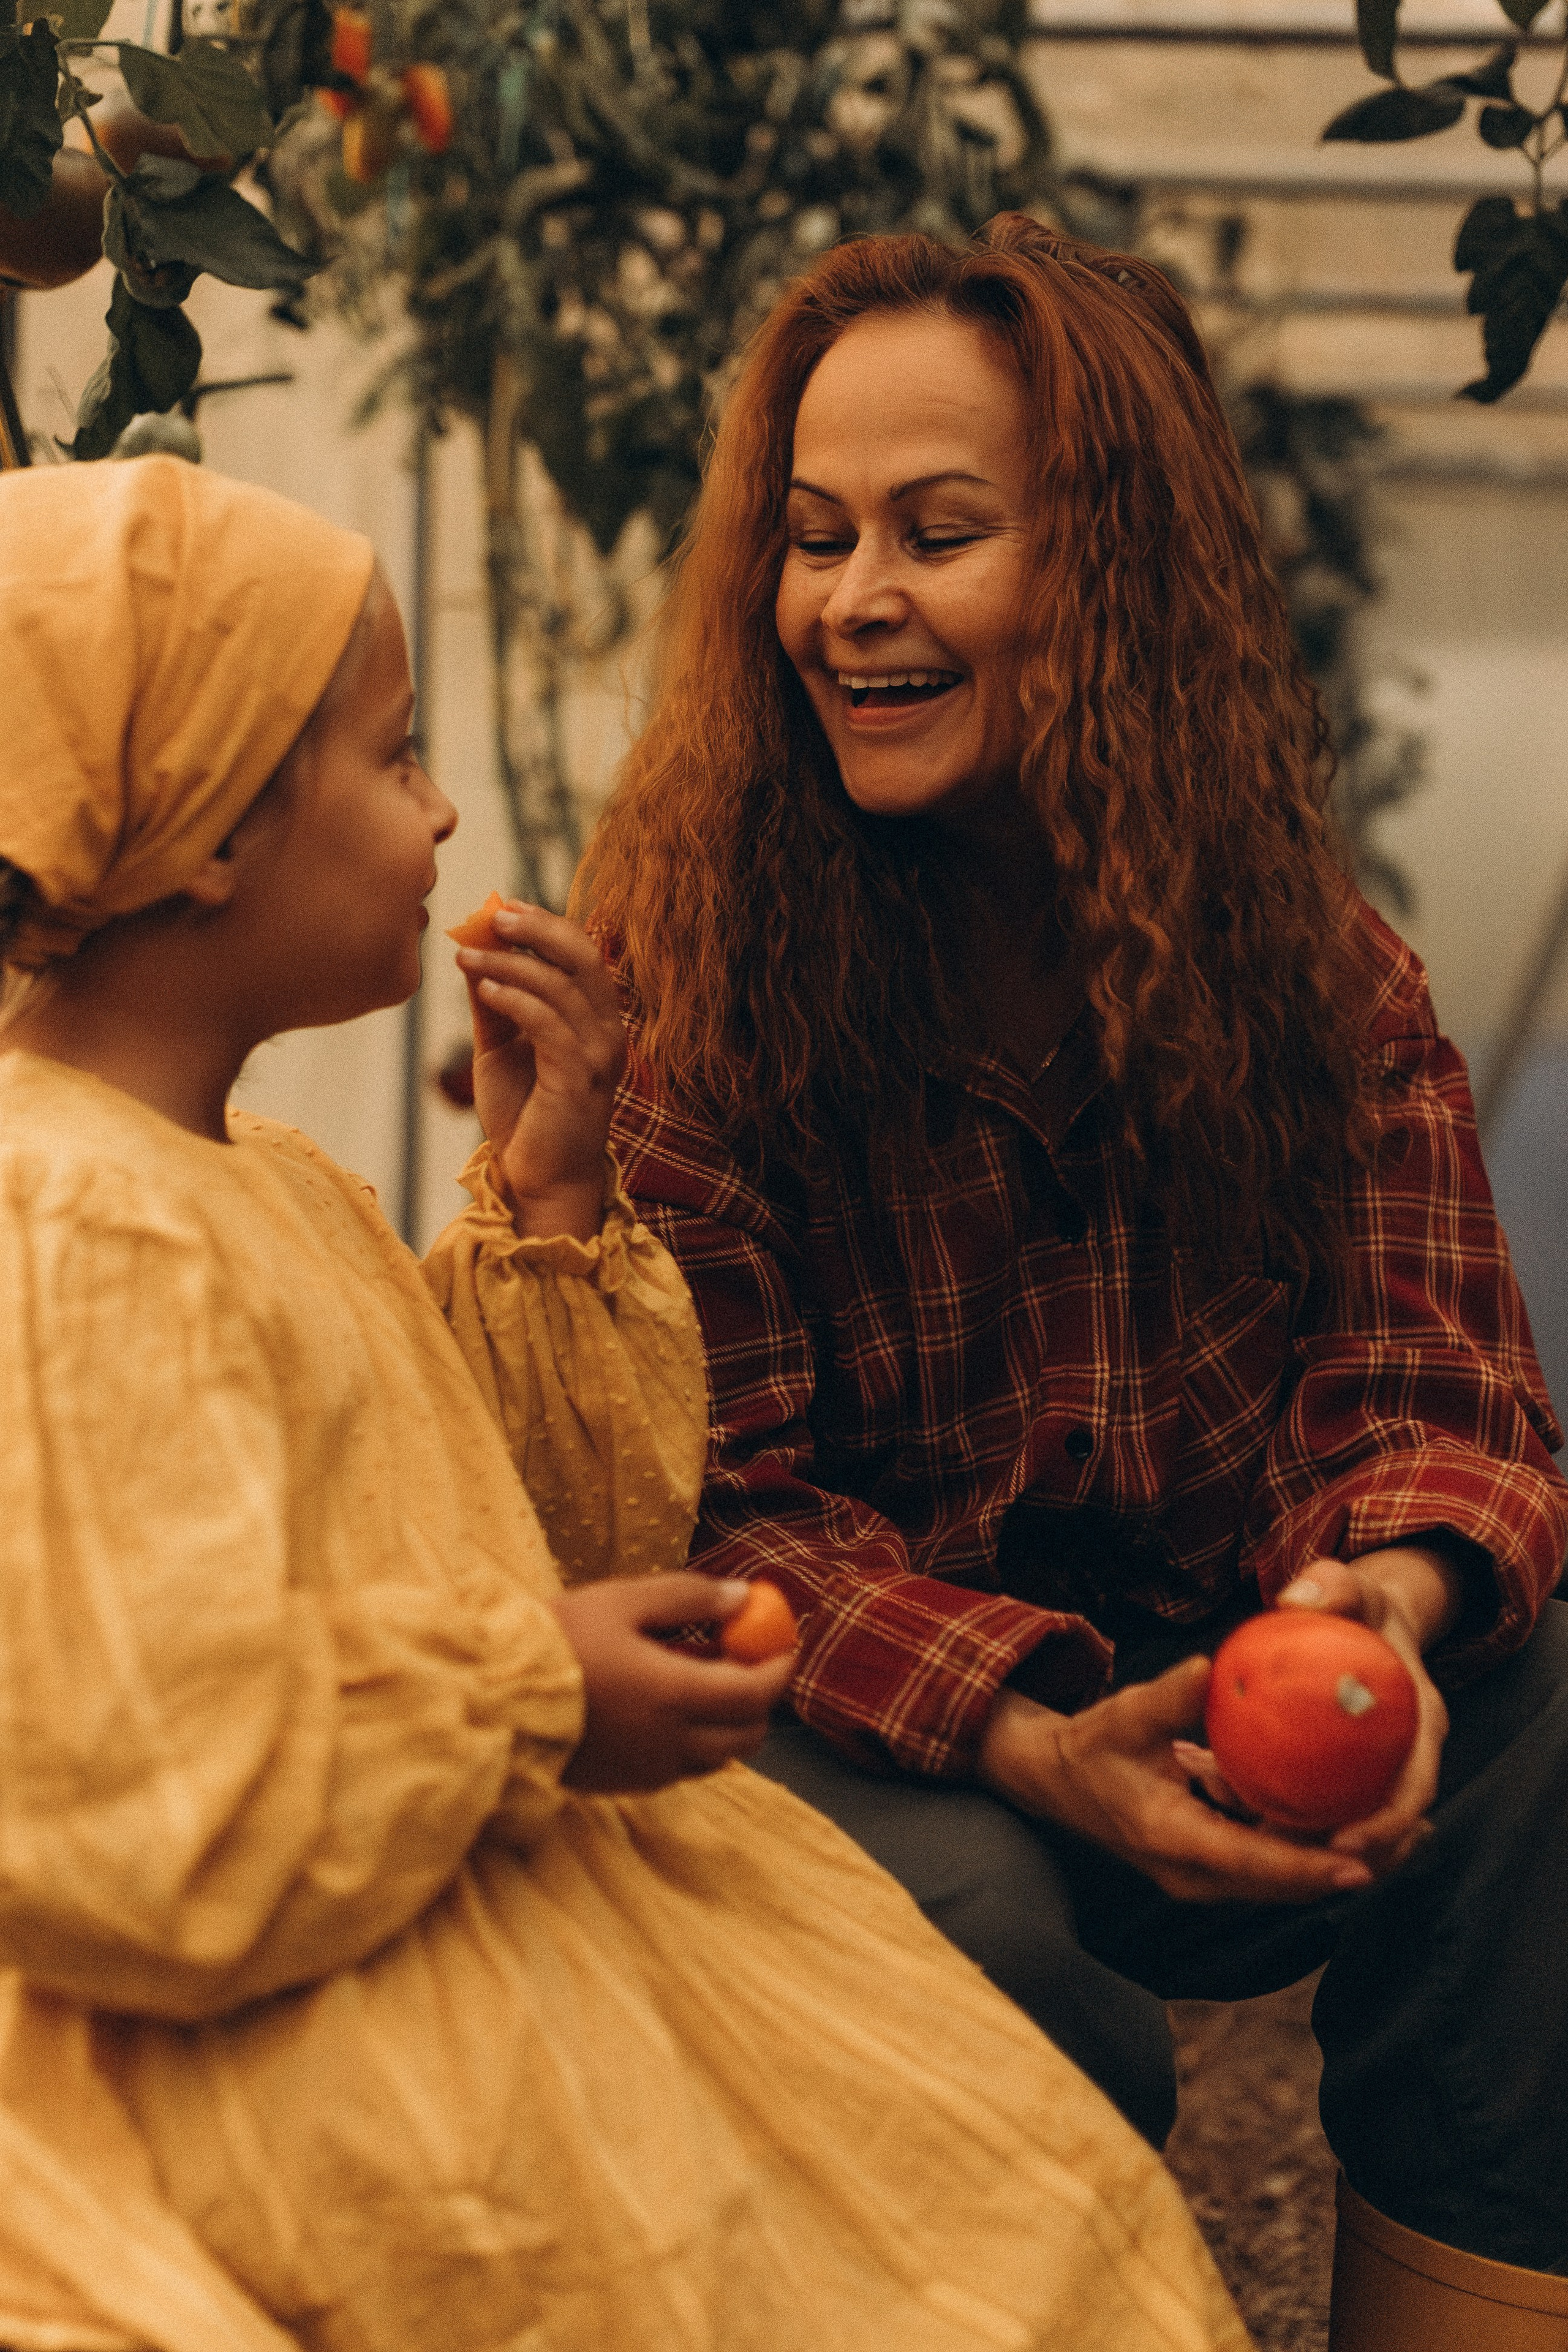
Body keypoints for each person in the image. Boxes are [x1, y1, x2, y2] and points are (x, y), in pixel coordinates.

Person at [0, 453, 1252, 2352]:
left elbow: (534, 1543)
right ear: (208, 818)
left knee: (992, 2199)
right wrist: (536, 1696)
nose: (440, 813)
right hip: (284, 2044)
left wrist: (554, 1194)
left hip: (442, 1903)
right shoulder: (74, 1226)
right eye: (393, 757)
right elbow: (124, 1793)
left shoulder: (268, 1184)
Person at [575, 217, 1568, 2347]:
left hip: (1218, 1692)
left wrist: (1375, 1609)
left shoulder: (1318, 984)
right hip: (897, 1742)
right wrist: (1026, 1734)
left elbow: (1439, 1393)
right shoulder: (701, 999)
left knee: (1546, 1711)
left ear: (1115, 577)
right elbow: (723, 1512)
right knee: (986, 1923)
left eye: (939, 534)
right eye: (817, 538)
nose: (855, 600)